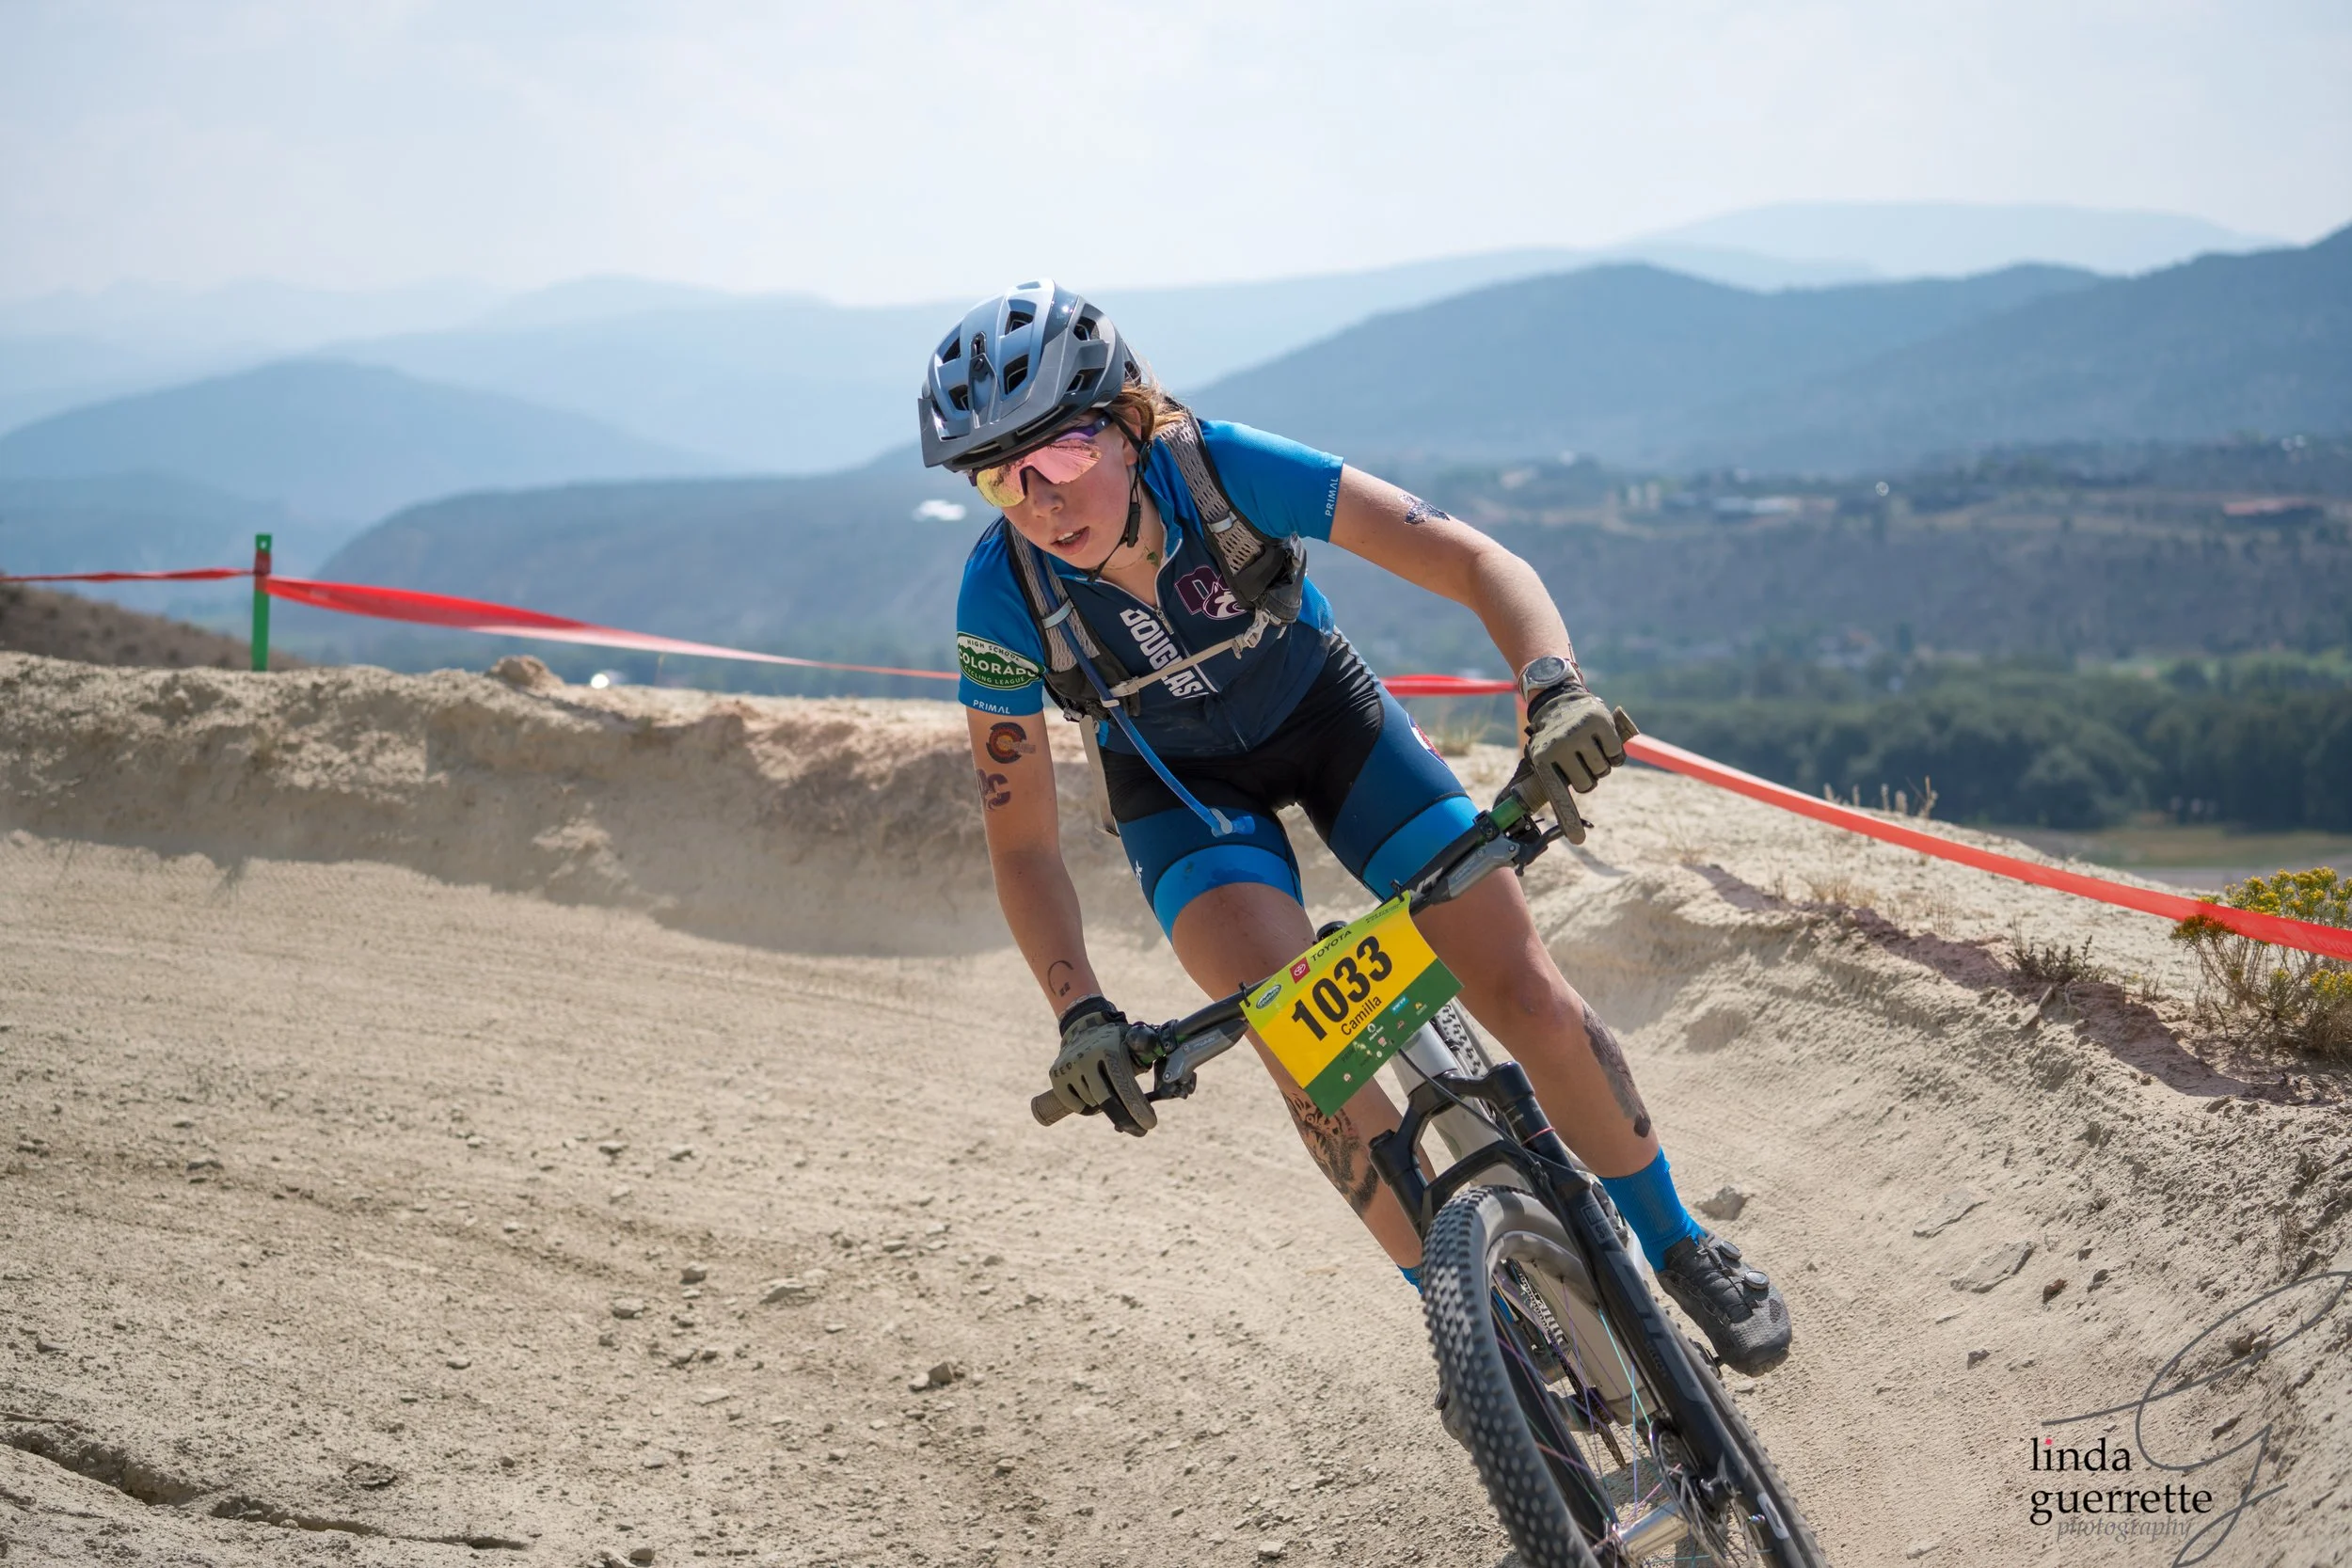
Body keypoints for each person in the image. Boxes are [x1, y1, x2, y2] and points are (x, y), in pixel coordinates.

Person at [923, 281, 1789, 1375]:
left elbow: (1478, 563)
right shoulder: (998, 598)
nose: (1038, 500)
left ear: (1129, 422)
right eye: (1000, 478)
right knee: (1315, 1060)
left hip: (1333, 728)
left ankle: (1676, 1240)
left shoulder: (1221, 467)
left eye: (1057, 455)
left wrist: (1553, 688)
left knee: (1520, 988)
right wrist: (1078, 1010)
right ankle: (1478, 1341)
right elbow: (1023, 843)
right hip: (1185, 797)